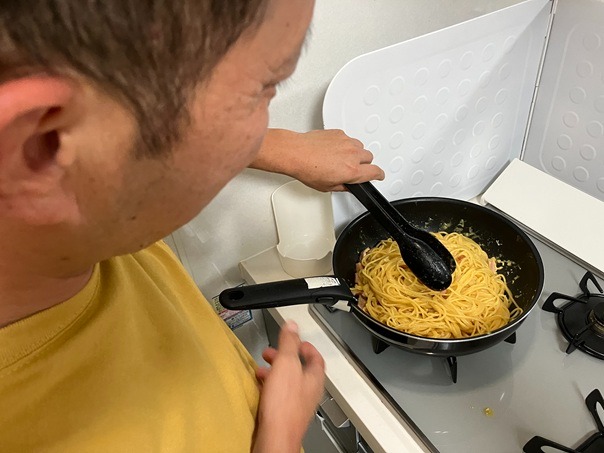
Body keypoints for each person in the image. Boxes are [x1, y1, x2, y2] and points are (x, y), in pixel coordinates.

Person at [0, 1, 383, 452]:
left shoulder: (83, 216)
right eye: (265, 88)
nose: (263, 115)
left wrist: (281, 148)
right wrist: (279, 436)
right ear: (43, 143)